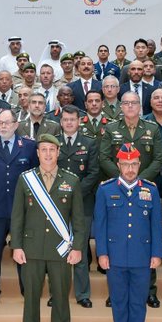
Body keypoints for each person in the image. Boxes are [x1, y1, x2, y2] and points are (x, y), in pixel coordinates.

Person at [11, 135, 87, 322]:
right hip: (32, 248)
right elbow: (17, 217)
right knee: (32, 297)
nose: (47, 154)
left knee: (62, 297)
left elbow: (79, 220)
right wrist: (16, 246)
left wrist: (77, 248)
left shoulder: (71, 180)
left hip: (60, 249)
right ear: (37, 153)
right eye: (43, 150)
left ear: (58, 152)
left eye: (51, 150)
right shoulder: (26, 179)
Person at [94, 143, 162, 322]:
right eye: (126, 165)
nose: (130, 169)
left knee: (138, 300)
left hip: (141, 256)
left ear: (139, 164)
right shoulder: (106, 190)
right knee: (118, 300)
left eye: (134, 164)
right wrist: (102, 253)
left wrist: (157, 254)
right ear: (118, 165)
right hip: (115, 257)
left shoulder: (150, 190)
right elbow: (100, 225)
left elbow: (156, 226)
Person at [98, 91, 162, 306]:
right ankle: (115, 293)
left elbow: (159, 158)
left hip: (144, 192)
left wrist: (138, 180)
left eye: (133, 103)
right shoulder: (111, 129)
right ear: (121, 106)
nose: (129, 106)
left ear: (140, 106)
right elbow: (104, 157)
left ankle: (149, 290)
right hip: (118, 189)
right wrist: (123, 177)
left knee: (144, 239)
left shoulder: (152, 128)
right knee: (121, 239)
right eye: (125, 103)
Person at [0, 109, 37, 306]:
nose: (3, 126)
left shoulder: (29, 146)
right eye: (0, 123)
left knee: (23, 251)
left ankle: (27, 290)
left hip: (21, 209)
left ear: (15, 125)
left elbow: (35, 176)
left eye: (7, 123)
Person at [55, 106, 101, 307]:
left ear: (79, 121)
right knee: (57, 251)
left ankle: (83, 294)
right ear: (61, 121)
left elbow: (93, 173)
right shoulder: (53, 143)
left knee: (79, 249)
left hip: (82, 203)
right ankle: (57, 293)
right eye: (65, 119)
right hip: (56, 205)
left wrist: (73, 193)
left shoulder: (89, 143)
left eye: (72, 119)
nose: (68, 123)